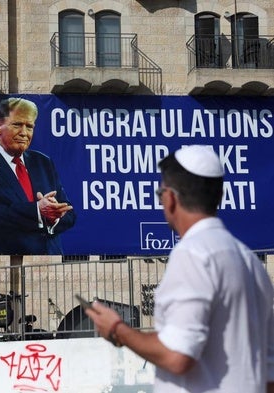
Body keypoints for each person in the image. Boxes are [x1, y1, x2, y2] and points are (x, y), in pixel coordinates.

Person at [84, 145, 274, 393]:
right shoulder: (250, 262)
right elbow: (269, 375)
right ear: (219, 196)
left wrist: (118, 330)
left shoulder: (193, 254)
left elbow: (177, 356)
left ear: (171, 197)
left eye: (160, 193)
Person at [0, 97, 75, 255]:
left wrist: (54, 217)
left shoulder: (43, 162)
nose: (24, 133)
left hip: (50, 267)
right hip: (2, 266)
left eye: (30, 126)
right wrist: (37, 211)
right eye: (17, 125)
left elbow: (69, 213)